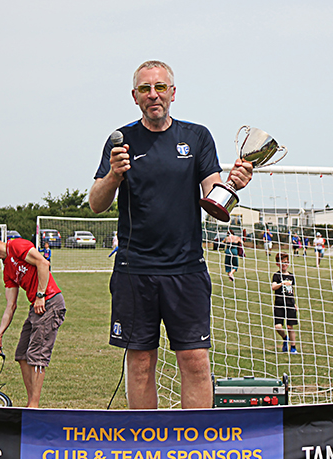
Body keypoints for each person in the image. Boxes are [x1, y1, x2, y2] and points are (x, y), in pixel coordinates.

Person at [88, 60, 253, 409]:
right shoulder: (121, 140)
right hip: (135, 271)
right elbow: (95, 204)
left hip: (186, 270)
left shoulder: (197, 137)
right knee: (141, 363)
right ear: (135, 96)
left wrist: (233, 185)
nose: (153, 95)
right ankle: (147, 450)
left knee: (195, 362)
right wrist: (114, 176)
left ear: (173, 93)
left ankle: (195, 451)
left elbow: (213, 197)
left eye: (160, 87)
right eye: (145, 89)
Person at [0, 234, 66, 408]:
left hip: (49, 302)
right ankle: (31, 402)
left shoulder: (16, 246)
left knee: (37, 354)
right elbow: (10, 306)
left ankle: (33, 406)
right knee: (21, 354)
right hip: (37, 306)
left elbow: (43, 263)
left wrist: (40, 295)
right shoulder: (7, 271)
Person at [271, 253, 300, 354]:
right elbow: (273, 287)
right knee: (278, 327)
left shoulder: (291, 276)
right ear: (277, 264)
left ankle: (293, 347)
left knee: (290, 326)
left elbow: (291, 291)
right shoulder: (276, 275)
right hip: (279, 304)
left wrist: (294, 303)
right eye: (282, 263)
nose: (284, 264)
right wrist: (282, 283)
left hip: (289, 304)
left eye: (286, 262)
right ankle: (285, 337)